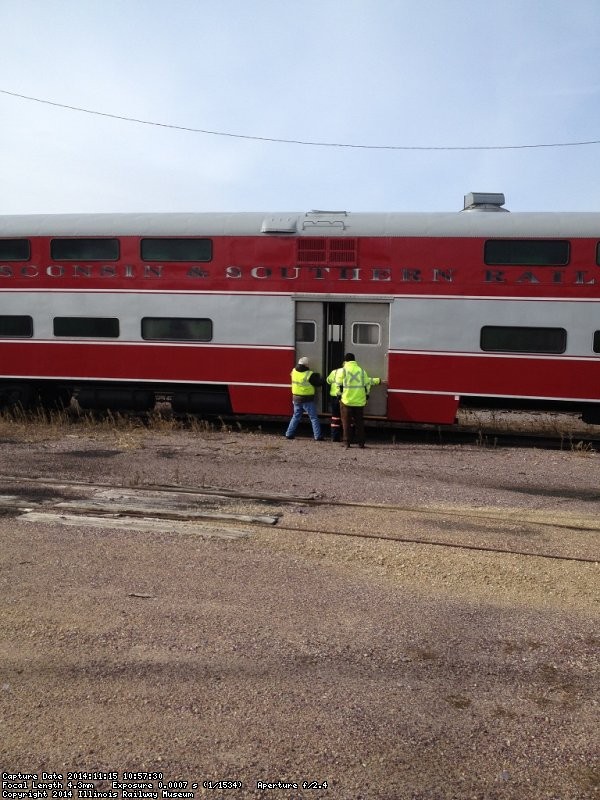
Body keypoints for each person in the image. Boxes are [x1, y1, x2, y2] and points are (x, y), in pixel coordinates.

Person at [337, 352, 381, 448]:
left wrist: (339, 396)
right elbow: (367, 384)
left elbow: (338, 385)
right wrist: (366, 395)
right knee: (359, 423)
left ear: (345, 360)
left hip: (346, 401)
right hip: (359, 402)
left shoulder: (342, 371)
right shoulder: (361, 371)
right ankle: (361, 443)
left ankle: (347, 443)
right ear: (354, 360)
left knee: (346, 423)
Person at [284, 356, 324, 441]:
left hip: (296, 398)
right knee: (313, 418)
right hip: (307, 400)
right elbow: (318, 383)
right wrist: (322, 379)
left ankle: (289, 433)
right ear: (306, 365)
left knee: (296, 416)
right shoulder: (309, 374)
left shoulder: (293, 371)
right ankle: (317, 436)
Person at [326, 361, 345, 442]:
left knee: (335, 417)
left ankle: (335, 437)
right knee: (346, 418)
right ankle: (347, 437)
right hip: (344, 397)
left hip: (334, 397)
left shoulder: (335, 371)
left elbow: (328, 381)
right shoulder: (349, 372)